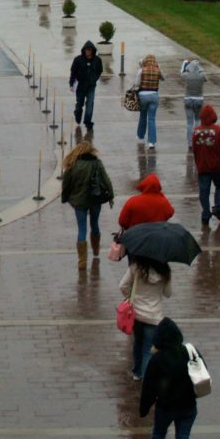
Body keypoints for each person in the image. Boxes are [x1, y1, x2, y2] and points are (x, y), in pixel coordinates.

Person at [139, 317, 199, 439]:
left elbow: (149, 388)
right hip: (188, 406)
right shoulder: (189, 351)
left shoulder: (157, 359)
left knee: (159, 434)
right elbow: (201, 373)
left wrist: (143, 409)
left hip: (166, 408)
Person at [61, 140, 115, 269]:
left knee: (82, 229)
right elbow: (106, 180)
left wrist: (65, 198)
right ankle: (95, 249)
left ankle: (82, 261)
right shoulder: (97, 163)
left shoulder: (73, 164)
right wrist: (111, 195)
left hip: (79, 201)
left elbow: (66, 184)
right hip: (95, 199)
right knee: (94, 224)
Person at [119, 256, 172, 380]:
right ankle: (146, 376)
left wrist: (131, 297)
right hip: (154, 316)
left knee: (138, 342)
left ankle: (137, 372)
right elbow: (168, 293)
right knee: (148, 348)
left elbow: (123, 285)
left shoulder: (136, 266)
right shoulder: (165, 270)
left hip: (136, 314)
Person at [191, 104, 220, 226]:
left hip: (202, 166)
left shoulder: (196, 131)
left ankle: (205, 213)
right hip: (216, 166)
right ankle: (218, 207)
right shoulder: (219, 130)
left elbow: (194, 148)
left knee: (204, 191)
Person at [69, 41, 104, 131]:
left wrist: (94, 78)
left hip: (91, 86)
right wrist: (71, 83)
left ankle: (88, 122)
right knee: (79, 104)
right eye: (86, 50)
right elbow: (73, 72)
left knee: (90, 104)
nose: (88, 52)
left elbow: (99, 71)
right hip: (80, 86)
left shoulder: (97, 60)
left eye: (90, 50)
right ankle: (77, 113)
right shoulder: (78, 60)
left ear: (93, 51)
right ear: (84, 50)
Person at [133, 54, 164, 149]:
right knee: (152, 119)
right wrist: (159, 68)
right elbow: (163, 78)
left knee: (143, 116)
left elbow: (136, 83)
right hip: (154, 96)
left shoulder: (142, 70)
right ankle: (151, 142)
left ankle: (141, 136)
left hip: (143, 96)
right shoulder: (157, 69)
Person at [179, 59, 206, 148]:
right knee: (198, 120)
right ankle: (198, 140)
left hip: (188, 99)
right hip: (199, 99)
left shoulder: (187, 75)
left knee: (190, 123)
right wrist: (200, 68)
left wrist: (184, 64)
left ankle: (190, 142)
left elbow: (181, 73)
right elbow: (206, 79)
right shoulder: (201, 75)